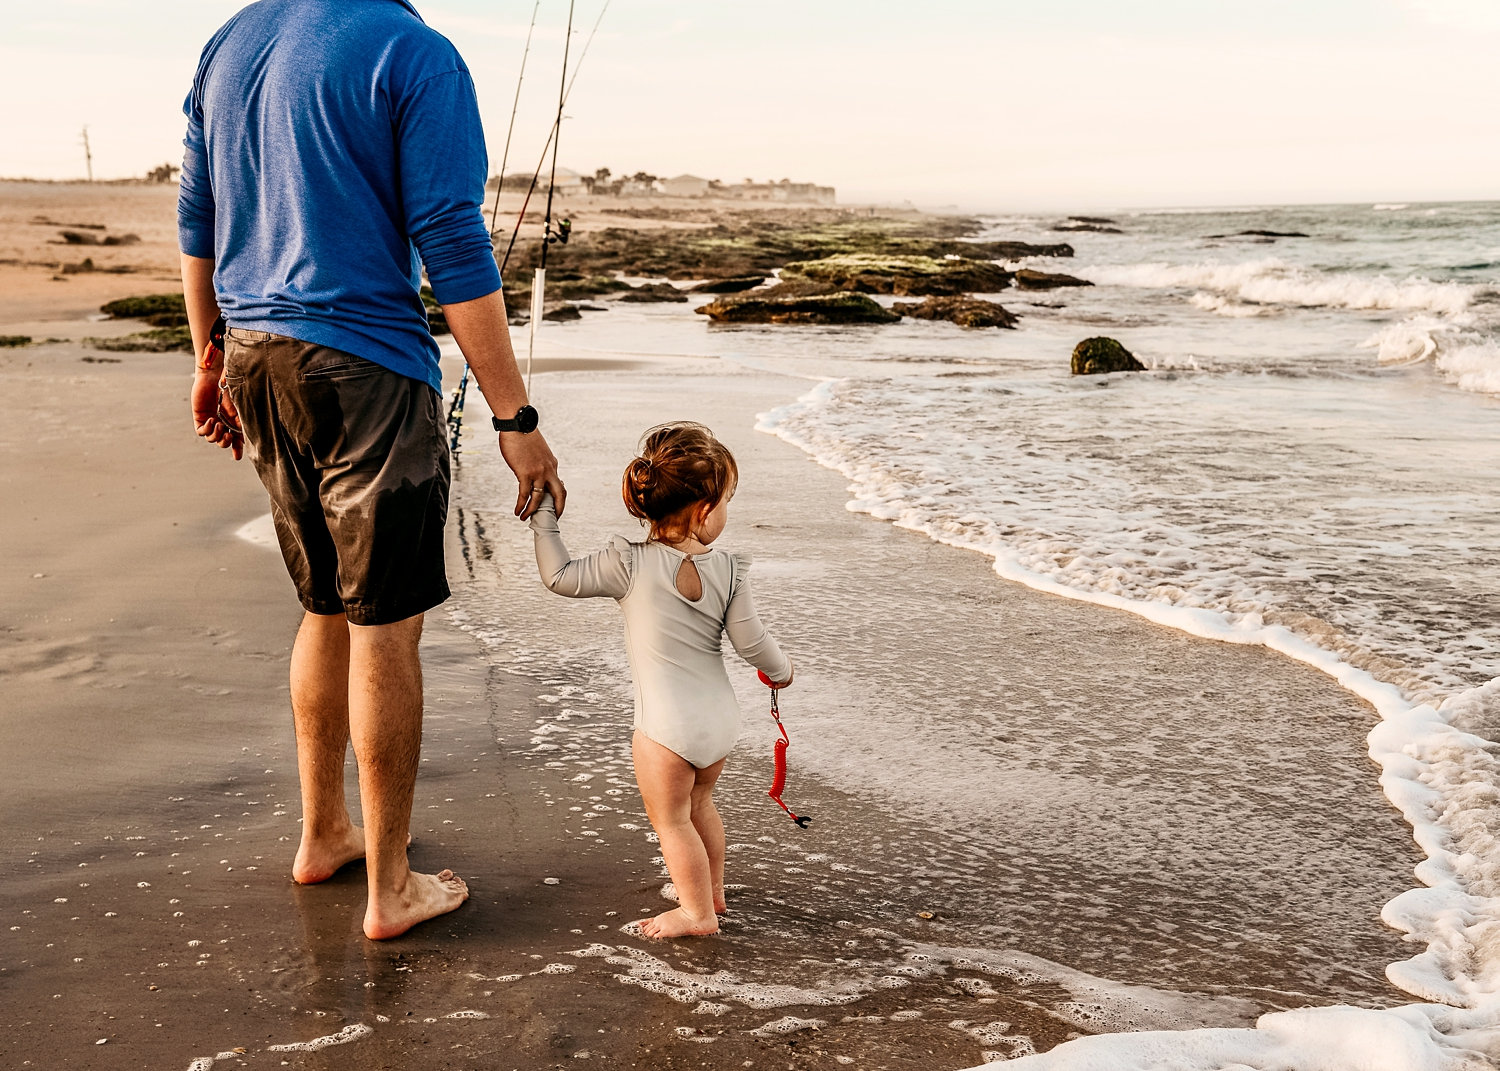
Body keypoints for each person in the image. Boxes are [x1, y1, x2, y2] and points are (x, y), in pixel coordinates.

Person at [177, 0, 565, 940]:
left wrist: (206, 358)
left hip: (253, 355)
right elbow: (451, 235)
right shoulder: (414, 52)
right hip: (363, 374)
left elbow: (197, 216)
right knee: (384, 625)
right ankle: (391, 886)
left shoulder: (233, 41)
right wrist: (516, 418)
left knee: (323, 607)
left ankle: (325, 833)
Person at [528, 423, 793, 938]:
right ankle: (711, 893)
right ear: (703, 510)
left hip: (665, 729)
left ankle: (696, 915)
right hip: (718, 723)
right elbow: (753, 644)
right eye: (726, 502)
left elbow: (558, 577)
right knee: (701, 806)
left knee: (671, 822)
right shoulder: (731, 572)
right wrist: (781, 673)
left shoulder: (627, 562)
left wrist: (544, 522)